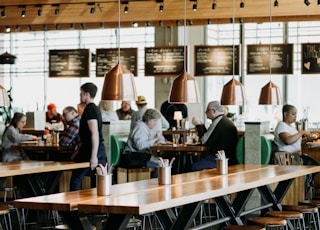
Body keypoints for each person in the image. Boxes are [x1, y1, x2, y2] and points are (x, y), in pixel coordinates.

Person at [70, 83, 107, 191]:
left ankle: (74, 206)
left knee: (76, 180)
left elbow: (94, 133)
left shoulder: (90, 110)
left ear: (87, 94)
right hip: (98, 149)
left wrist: (93, 156)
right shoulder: (94, 108)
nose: (80, 96)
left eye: (81, 93)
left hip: (91, 150)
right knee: (101, 181)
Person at [191, 101, 239, 171]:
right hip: (229, 158)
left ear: (213, 111)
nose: (205, 112)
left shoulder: (218, 122)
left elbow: (204, 140)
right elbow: (208, 136)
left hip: (222, 160)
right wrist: (201, 125)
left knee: (195, 166)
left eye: (207, 110)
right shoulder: (223, 121)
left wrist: (198, 125)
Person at [121, 109, 163, 178]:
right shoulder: (140, 128)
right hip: (131, 157)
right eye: (155, 121)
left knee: (160, 164)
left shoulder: (143, 127)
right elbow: (140, 146)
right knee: (159, 166)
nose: (156, 124)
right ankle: (152, 186)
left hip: (135, 156)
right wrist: (155, 139)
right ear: (149, 120)